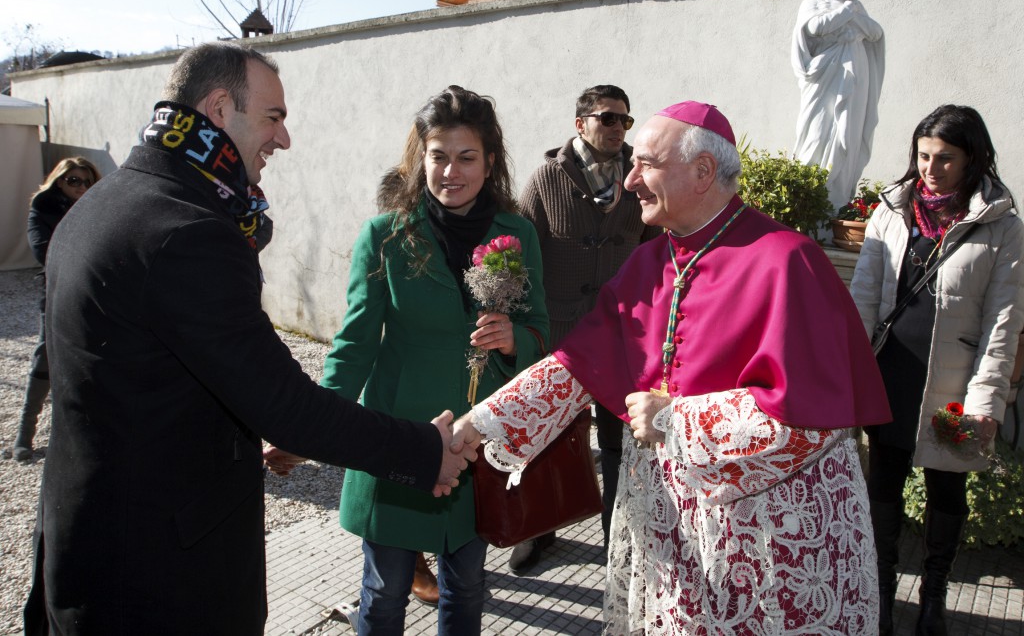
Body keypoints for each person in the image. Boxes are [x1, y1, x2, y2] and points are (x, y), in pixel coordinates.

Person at [23, 43, 477, 636]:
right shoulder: (186, 232)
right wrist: (423, 451)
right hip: (159, 576)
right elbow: (283, 405)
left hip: (84, 542)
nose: (283, 139)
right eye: (273, 117)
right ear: (218, 109)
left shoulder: (105, 201)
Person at [451, 101, 894, 634]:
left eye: (647, 165)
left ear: (703, 172)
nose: (630, 180)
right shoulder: (648, 261)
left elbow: (811, 422)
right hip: (672, 531)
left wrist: (673, 419)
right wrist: (476, 427)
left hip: (765, 538)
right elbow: (578, 367)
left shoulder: (786, 260)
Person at [319, 85, 548, 635]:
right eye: (438, 156)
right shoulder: (386, 236)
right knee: (384, 590)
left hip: (476, 444)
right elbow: (355, 341)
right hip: (400, 438)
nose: (451, 171)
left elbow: (542, 332)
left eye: (466, 157)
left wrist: (515, 339)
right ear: (420, 159)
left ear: (490, 161)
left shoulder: (516, 233)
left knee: (467, 587)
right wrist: (315, 417)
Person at [850, 105, 1024, 636]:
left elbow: (1004, 323)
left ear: (973, 158)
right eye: (923, 156)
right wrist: (849, 375)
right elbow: (862, 298)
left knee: (947, 491)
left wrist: (985, 403)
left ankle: (934, 598)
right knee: (883, 483)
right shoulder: (891, 211)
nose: (931, 168)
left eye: (945, 158)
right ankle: (879, 595)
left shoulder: (1001, 225)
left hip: (954, 385)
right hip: (891, 375)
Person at [511, 84, 660, 573]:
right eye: (607, 118)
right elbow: (519, 255)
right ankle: (539, 530)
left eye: (625, 120)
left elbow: (659, 251)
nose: (618, 128)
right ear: (581, 124)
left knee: (620, 440)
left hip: (623, 336)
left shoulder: (642, 178)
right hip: (562, 332)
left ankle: (618, 540)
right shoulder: (545, 179)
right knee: (548, 435)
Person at [11, 157, 102, 462]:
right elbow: (43, 249)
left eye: (86, 181)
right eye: (74, 180)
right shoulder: (44, 207)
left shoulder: (99, 207)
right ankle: (23, 436)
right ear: (59, 180)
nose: (81, 187)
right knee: (44, 360)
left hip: (97, 292)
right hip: (59, 291)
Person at [792, 0, 885, 210]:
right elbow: (814, 27)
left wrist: (851, 19)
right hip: (825, 83)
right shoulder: (814, 2)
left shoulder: (855, 5)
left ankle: (837, 203)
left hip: (854, 82)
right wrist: (847, 15)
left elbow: (876, 33)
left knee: (848, 139)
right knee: (817, 136)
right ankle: (810, 208)